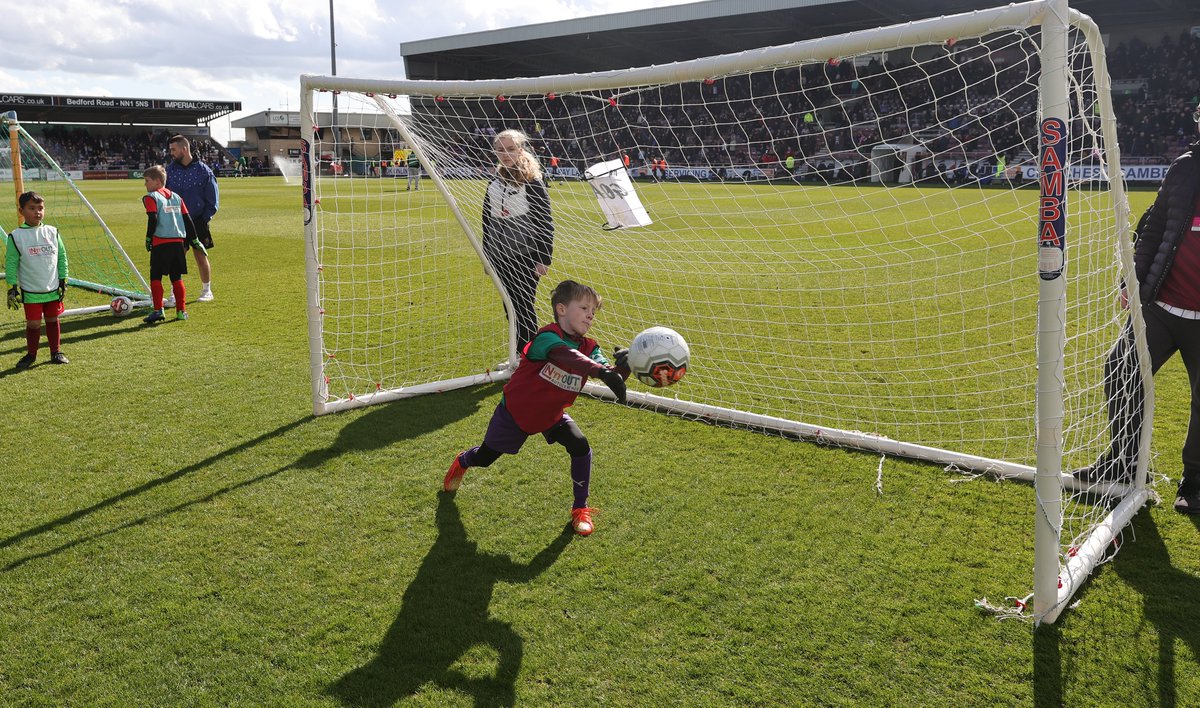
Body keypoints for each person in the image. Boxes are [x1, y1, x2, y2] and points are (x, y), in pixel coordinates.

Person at [1080, 100, 1200, 514]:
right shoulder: (1184, 168)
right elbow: (1151, 229)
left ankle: (1196, 483)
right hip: (1162, 306)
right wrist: (1130, 282)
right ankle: (1125, 461)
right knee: (1120, 369)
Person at [443, 280, 631, 536]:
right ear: (561, 309)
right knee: (486, 458)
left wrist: (625, 366)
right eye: (584, 307)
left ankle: (580, 509)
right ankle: (463, 460)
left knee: (580, 445)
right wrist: (601, 371)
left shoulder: (590, 348)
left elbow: (609, 374)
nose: (590, 315)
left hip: (552, 415)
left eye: (593, 312)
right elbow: (567, 356)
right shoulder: (546, 337)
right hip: (515, 414)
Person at [481, 128, 554, 349]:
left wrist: (544, 258)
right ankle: (518, 355)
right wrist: (487, 254)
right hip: (499, 256)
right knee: (509, 308)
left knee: (522, 307)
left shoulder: (532, 182)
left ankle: (528, 358)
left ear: (520, 150)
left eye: (510, 149)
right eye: (500, 150)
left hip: (526, 255)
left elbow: (545, 221)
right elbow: (486, 219)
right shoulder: (495, 181)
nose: (505, 154)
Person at [5, 191, 69, 368]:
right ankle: (31, 354)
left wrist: (63, 279)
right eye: (32, 208)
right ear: (21, 211)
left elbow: (62, 257)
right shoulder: (16, 236)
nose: (37, 212)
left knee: (52, 319)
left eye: (40, 208)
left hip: (52, 287)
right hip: (31, 289)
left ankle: (55, 352)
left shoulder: (52, 232)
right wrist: (12, 287)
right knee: (33, 324)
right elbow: (10, 264)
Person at [140, 165, 204, 324]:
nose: (145, 184)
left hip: (161, 242)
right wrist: (194, 240)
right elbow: (188, 220)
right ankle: (181, 311)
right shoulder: (177, 197)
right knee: (176, 277)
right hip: (178, 243)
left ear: (157, 181)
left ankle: (158, 310)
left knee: (156, 276)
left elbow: (153, 218)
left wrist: (148, 238)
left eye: (147, 181)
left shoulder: (151, 197)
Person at [166, 134, 217, 302]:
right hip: (176, 220)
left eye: (173, 149)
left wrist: (204, 219)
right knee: (176, 258)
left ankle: (206, 290)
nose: (171, 153)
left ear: (184, 149)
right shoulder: (170, 170)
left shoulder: (204, 170)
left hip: (198, 220)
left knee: (200, 255)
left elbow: (213, 199)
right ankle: (175, 294)